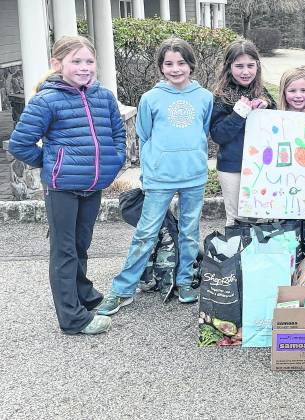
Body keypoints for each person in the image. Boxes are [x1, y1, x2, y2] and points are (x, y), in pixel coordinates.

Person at [9, 35, 126, 334]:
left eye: (89, 61)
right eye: (76, 61)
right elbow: (20, 144)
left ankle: (83, 296)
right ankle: (73, 319)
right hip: (62, 188)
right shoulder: (47, 99)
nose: (84, 67)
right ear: (57, 64)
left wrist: (113, 162)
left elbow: (117, 134)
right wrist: (53, 163)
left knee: (81, 245)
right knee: (64, 251)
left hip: (93, 186)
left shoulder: (103, 97)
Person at [98, 38, 214, 315]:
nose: (175, 69)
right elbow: (144, 134)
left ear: (191, 65)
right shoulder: (150, 99)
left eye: (181, 63)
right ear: (161, 67)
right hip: (160, 177)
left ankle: (185, 281)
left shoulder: (205, 97)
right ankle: (123, 289)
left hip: (194, 175)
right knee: (145, 233)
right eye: (168, 64)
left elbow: (204, 130)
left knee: (189, 232)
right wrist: (154, 167)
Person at [210, 40, 276, 226]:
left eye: (250, 65)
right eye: (239, 66)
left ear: (257, 66)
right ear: (229, 67)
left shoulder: (263, 94)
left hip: (261, 166)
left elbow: (276, 129)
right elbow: (218, 135)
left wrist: (267, 108)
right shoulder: (221, 98)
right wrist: (238, 115)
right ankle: (236, 254)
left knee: (261, 215)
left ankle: (260, 254)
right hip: (232, 167)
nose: (245, 71)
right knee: (237, 218)